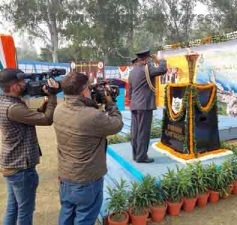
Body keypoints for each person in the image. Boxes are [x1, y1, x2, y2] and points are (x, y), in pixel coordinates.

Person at [53, 71, 123, 225]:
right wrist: (111, 103)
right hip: (87, 181)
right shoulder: (91, 116)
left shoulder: (58, 110)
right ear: (84, 91)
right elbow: (117, 124)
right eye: (89, 87)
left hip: (66, 178)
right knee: (84, 219)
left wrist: (91, 102)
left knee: (66, 215)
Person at [0, 68, 59, 225]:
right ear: (13, 87)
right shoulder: (14, 108)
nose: (25, 85)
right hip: (21, 169)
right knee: (25, 212)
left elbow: (31, 117)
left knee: (13, 208)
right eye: (22, 82)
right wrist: (52, 96)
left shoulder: (6, 102)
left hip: (12, 166)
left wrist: (45, 102)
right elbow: (46, 120)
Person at [128, 49, 167, 163]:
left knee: (135, 132)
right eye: (149, 58)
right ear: (146, 59)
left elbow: (130, 90)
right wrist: (161, 60)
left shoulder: (133, 71)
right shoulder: (147, 68)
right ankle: (142, 157)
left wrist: (133, 101)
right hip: (144, 105)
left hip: (135, 105)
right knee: (143, 132)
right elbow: (162, 69)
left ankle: (136, 155)